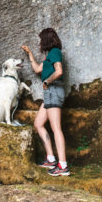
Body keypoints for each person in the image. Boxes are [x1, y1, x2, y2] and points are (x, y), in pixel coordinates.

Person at [22, 27, 69, 176]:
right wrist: (29, 53)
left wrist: (47, 81)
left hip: (53, 90)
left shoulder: (55, 52)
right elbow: (37, 69)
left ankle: (63, 166)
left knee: (56, 128)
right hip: (49, 92)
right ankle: (51, 159)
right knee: (38, 124)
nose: (40, 43)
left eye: (41, 40)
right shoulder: (50, 55)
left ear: (47, 40)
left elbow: (59, 71)